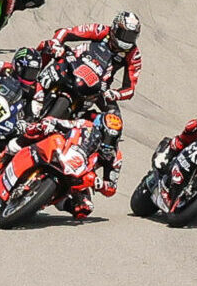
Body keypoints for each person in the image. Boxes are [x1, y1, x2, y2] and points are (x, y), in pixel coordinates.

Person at [37, 12, 143, 193]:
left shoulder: (133, 54)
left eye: (132, 37)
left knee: (114, 121)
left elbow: (130, 88)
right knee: (43, 49)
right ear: (116, 28)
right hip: (74, 66)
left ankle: (94, 157)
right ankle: (28, 84)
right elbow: (67, 32)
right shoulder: (100, 31)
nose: (127, 40)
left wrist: (114, 94)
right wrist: (57, 42)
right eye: (125, 35)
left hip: (99, 87)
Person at [0, 112, 124, 215]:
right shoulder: (84, 125)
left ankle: (45, 200)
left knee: (85, 208)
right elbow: (63, 123)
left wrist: (101, 185)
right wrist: (49, 123)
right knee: (35, 131)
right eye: (106, 137)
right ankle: (3, 159)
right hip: (63, 152)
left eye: (112, 139)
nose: (108, 143)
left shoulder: (114, 156)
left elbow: (112, 188)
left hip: (80, 174)